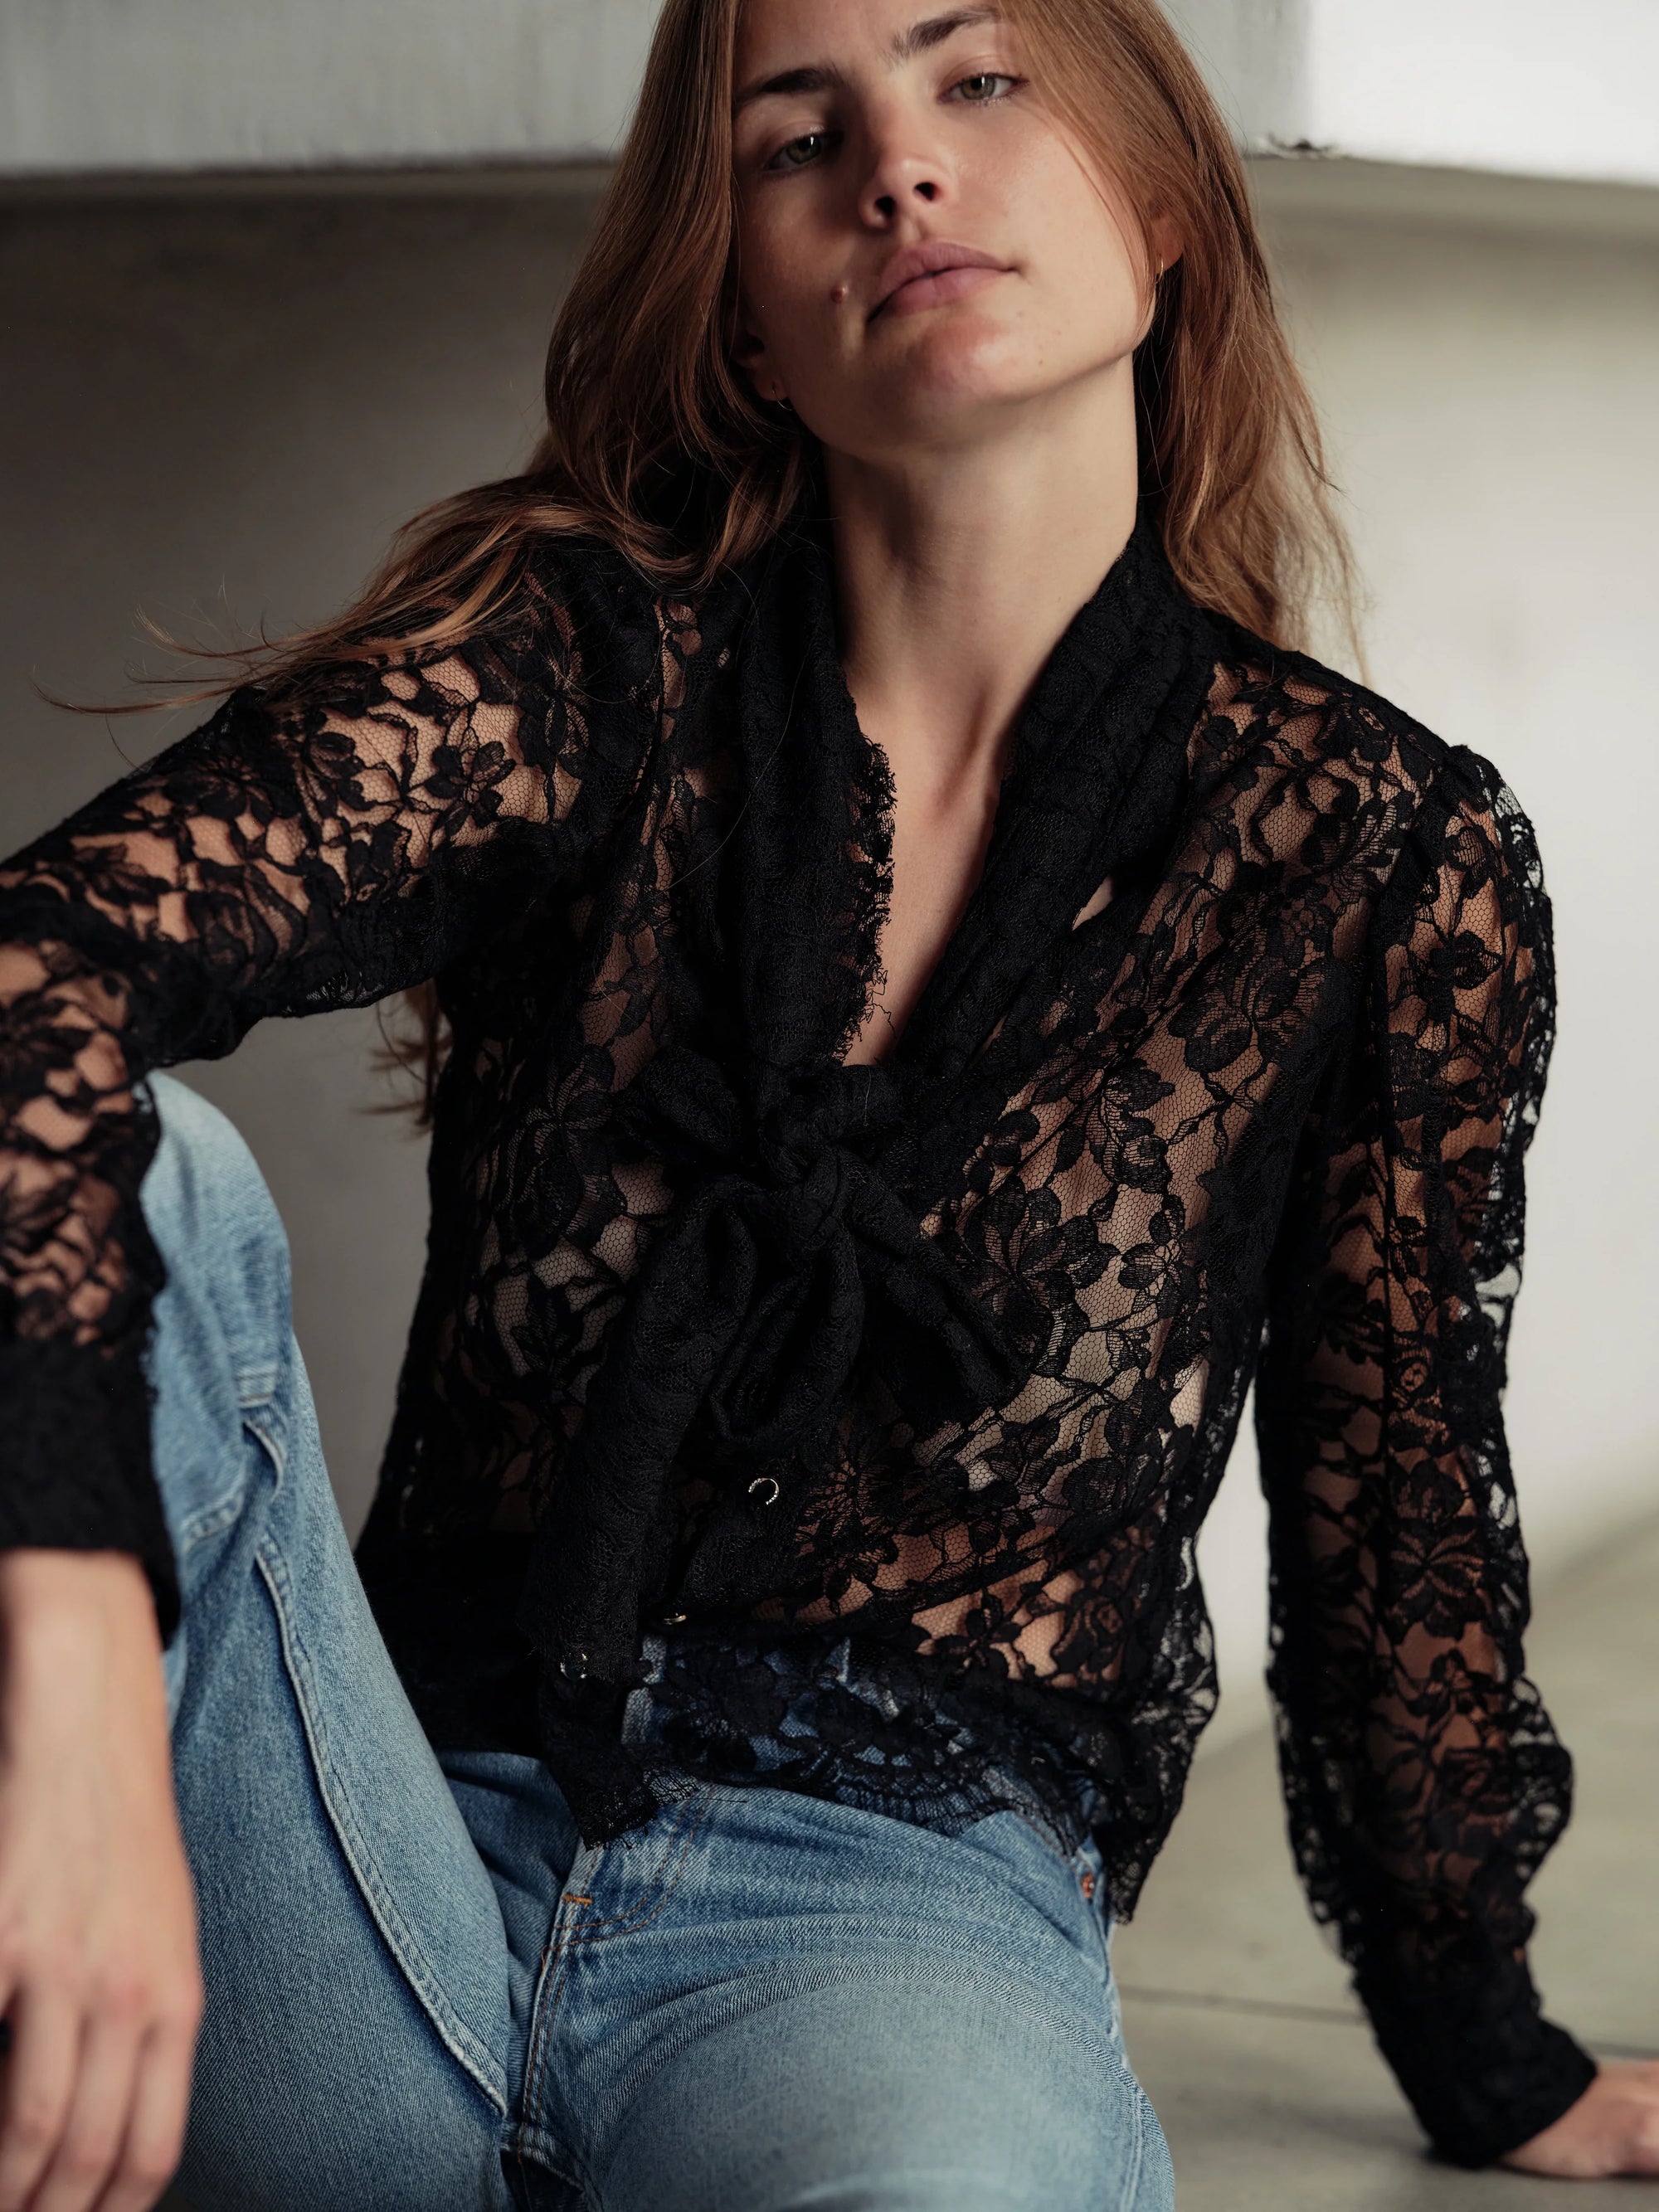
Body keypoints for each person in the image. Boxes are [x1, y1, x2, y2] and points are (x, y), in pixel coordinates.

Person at [2, 0, 1656, 2205]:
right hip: (367, 1860)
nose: (896, 165)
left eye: (982, 81)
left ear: (1164, 214)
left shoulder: (1367, 853)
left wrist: (1492, 2051)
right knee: (156, 1171)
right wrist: (91, 1690)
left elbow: (1392, 1513)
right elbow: (34, 971)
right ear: (757, 324)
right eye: (803, 135)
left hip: (888, 1936)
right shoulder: (581, 670)